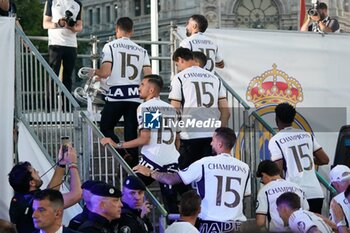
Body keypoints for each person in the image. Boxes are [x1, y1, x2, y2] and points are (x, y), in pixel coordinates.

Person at [134, 127, 251, 233]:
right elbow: (246, 197)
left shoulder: (205, 163)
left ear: (220, 144)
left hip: (211, 226)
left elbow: (172, 179)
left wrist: (150, 172)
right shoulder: (245, 168)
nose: (211, 143)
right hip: (238, 226)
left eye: (213, 140)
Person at [101, 74, 181, 213]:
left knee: (127, 195)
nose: (139, 88)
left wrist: (117, 145)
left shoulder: (147, 107)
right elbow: (177, 140)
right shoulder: (172, 109)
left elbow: (145, 138)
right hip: (172, 161)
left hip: (151, 160)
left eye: (142, 85)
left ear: (151, 90)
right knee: (171, 207)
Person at [94, 17, 152, 168]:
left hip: (116, 95)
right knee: (131, 132)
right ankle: (132, 168)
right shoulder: (142, 50)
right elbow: (149, 76)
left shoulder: (110, 46)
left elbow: (105, 73)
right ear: (132, 31)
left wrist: (95, 72)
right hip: (135, 96)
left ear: (117, 29)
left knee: (106, 127)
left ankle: (120, 150)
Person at [169, 47, 230, 169]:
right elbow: (226, 111)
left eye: (177, 64)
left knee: (183, 179)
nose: (178, 68)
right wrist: (219, 133)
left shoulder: (180, 77)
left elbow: (174, 109)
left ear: (180, 60)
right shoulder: (215, 78)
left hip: (190, 135)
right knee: (208, 176)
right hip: (211, 134)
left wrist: (176, 133)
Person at [268, 102, 329, 214]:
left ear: (277, 119)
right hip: (316, 193)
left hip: (295, 195)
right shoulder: (307, 135)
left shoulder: (275, 140)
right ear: (293, 118)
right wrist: (307, 160)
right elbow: (325, 160)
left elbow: (278, 172)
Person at [8, 146, 82, 233]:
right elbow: (76, 194)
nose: (38, 172)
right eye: (34, 172)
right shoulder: (37, 201)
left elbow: (50, 193)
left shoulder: (16, 200)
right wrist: (72, 164)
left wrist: (61, 164)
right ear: (32, 183)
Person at [42, 0, 83, 105]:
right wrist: (58, 24)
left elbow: (80, 26)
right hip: (55, 43)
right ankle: (48, 106)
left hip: (71, 44)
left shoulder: (78, 3)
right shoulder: (51, 1)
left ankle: (67, 106)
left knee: (68, 76)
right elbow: (45, 23)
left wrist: (72, 27)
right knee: (52, 74)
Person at [255, 160, 309, 232]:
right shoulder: (298, 188)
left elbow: (260, 222)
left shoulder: (264, 191)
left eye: (262, 180)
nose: (263, 182)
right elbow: (306, 211)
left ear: (264, 175)